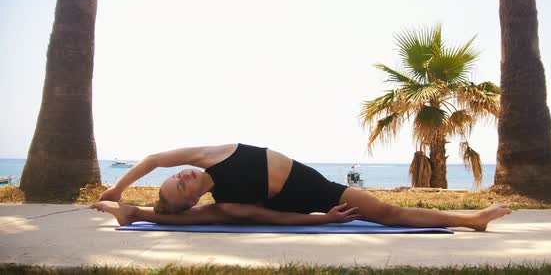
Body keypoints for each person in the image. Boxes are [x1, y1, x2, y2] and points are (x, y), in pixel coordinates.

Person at [94, 143, 511, 230]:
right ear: (192, 195)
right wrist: (323, 220)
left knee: (383, 211)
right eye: (182, 188)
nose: (181, 177)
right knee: (219, 216)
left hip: (317, 185)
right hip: (313, 202)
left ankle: (129, 210)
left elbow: (150, 159)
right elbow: (273, 217)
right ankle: (472, 220)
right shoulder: (227, 203)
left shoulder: (207, 154)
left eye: (175, 177)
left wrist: (117, 188)